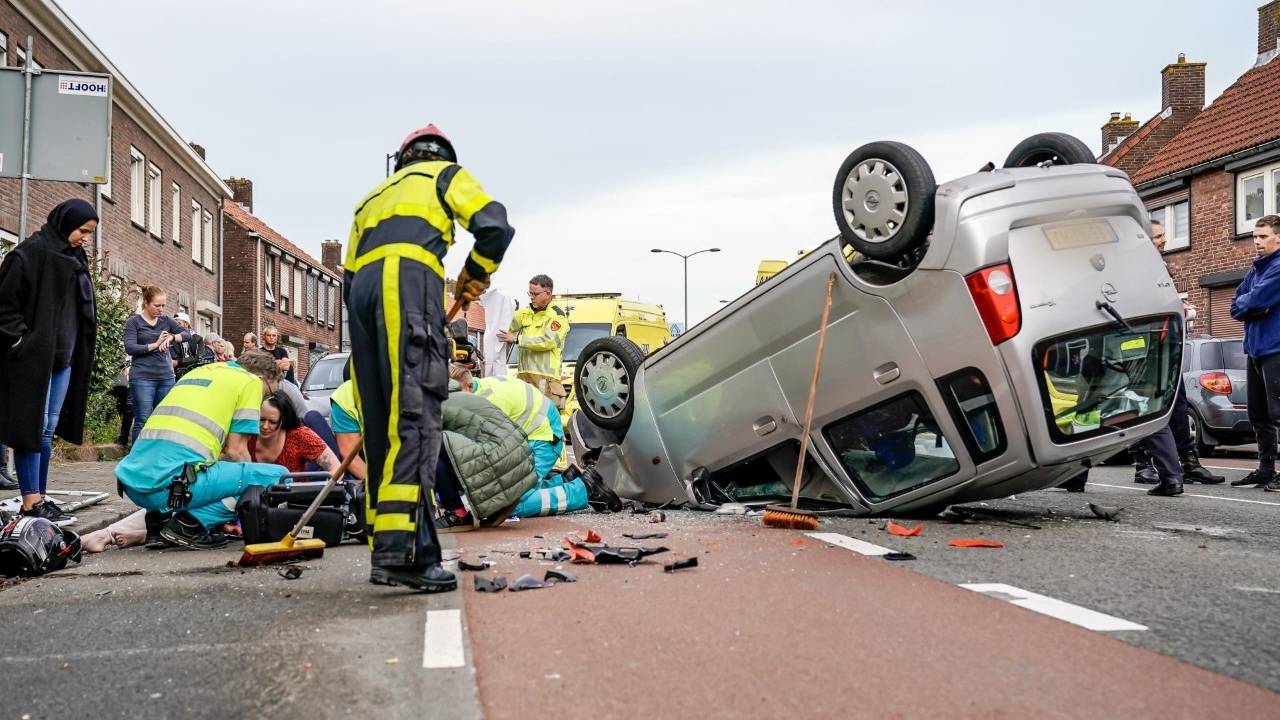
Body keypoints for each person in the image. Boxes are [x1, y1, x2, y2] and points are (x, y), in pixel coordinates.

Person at [343, 123, 513, 592]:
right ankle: (404, 555)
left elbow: (348, 279)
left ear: (402, 159)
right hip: (409, 278)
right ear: (439, 155)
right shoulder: (444, 175)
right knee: (414, 418)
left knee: (381, 424)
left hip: (361, 296)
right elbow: (494, 225)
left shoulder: (369, 199)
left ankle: (388, 543)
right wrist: (472, 280)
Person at [114, 350, 289, 549]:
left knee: (194, 465)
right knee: (278, 477)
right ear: (260, 379)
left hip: (134, 484)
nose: (263, 400)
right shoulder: (250, 382)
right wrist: (248, 494)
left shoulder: (200, 372)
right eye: (267, 394)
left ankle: (158, 527)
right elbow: (236, 453)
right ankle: (189, 525)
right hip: (170, 488)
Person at [0, 199, 100, 522]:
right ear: (66, 222)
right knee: (31, 427)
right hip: (33, 360)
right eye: (83, 231)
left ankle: (40, 499)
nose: (86, 238)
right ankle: (30, 502)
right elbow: (4, 306)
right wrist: (21, 343)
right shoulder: (29, 254)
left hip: (64, 360)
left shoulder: (75, 258)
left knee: (46, 431)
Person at [450, 365, 618, 518]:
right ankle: (564, 481)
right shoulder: (478, 388)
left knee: (508, 505)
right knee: (508, 493)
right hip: (538, 435)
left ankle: (586, 489)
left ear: (469, 385)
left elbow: (497, 454)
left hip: (543, 440)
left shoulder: (487, 402)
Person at [1230, 214, 1280, 491]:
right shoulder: (1255, 270)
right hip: (1255, 350)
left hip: (1276, 349)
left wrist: (1252, 305)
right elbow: (1235, 305)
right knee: (1258, 415)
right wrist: (1251, 306)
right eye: (1254, 236)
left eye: (1263, 236)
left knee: (1279, 413)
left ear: (1278, 237)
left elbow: (1257, 299)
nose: (1257, 242)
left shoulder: (1278, 267)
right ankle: (1265, 469)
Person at [124, 286, 193, 443]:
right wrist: (155, 345)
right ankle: (137, 461)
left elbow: (187, 334)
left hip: (166, 378)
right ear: (146, 303)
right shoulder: (134, 323)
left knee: (163, 421)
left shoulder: (166, 321)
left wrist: (171, 338)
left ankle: (155, 459)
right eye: (157, 305)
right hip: (143, 378)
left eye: (163, 305)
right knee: (142, 421)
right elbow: (130, 347)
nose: (161, 309)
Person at [499, 274, 569, 407]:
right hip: (524, 379)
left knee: (546, 421)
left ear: (548, 293)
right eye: (530, 293)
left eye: (535, 294)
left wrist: (516, 339)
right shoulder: (525, 312)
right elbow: (503, 326)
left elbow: (547, 341)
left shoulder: (557, 316)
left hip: (545, 380)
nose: (531, 297)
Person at [249, 392, 339, 473]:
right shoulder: (246, 435)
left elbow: (336, 469)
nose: (265, 426)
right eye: (262, 419)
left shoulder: (299, 436)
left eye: (273, 422)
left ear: (284, 421)